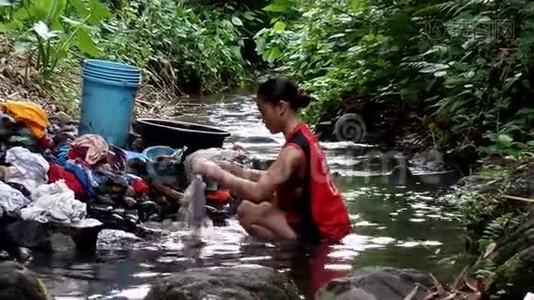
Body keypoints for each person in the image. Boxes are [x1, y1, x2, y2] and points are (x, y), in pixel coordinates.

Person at [193, 78, 351, 243]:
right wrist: (232, 169)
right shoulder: (303, 135)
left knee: (248, 213)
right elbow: (272, 177)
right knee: (252, 206)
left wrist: (216, 173)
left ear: (281, 107)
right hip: (334, 223)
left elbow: (258, 192)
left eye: (263, 112)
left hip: (324, 232)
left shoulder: (292, 151)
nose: (263, 119)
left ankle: (294, 252)